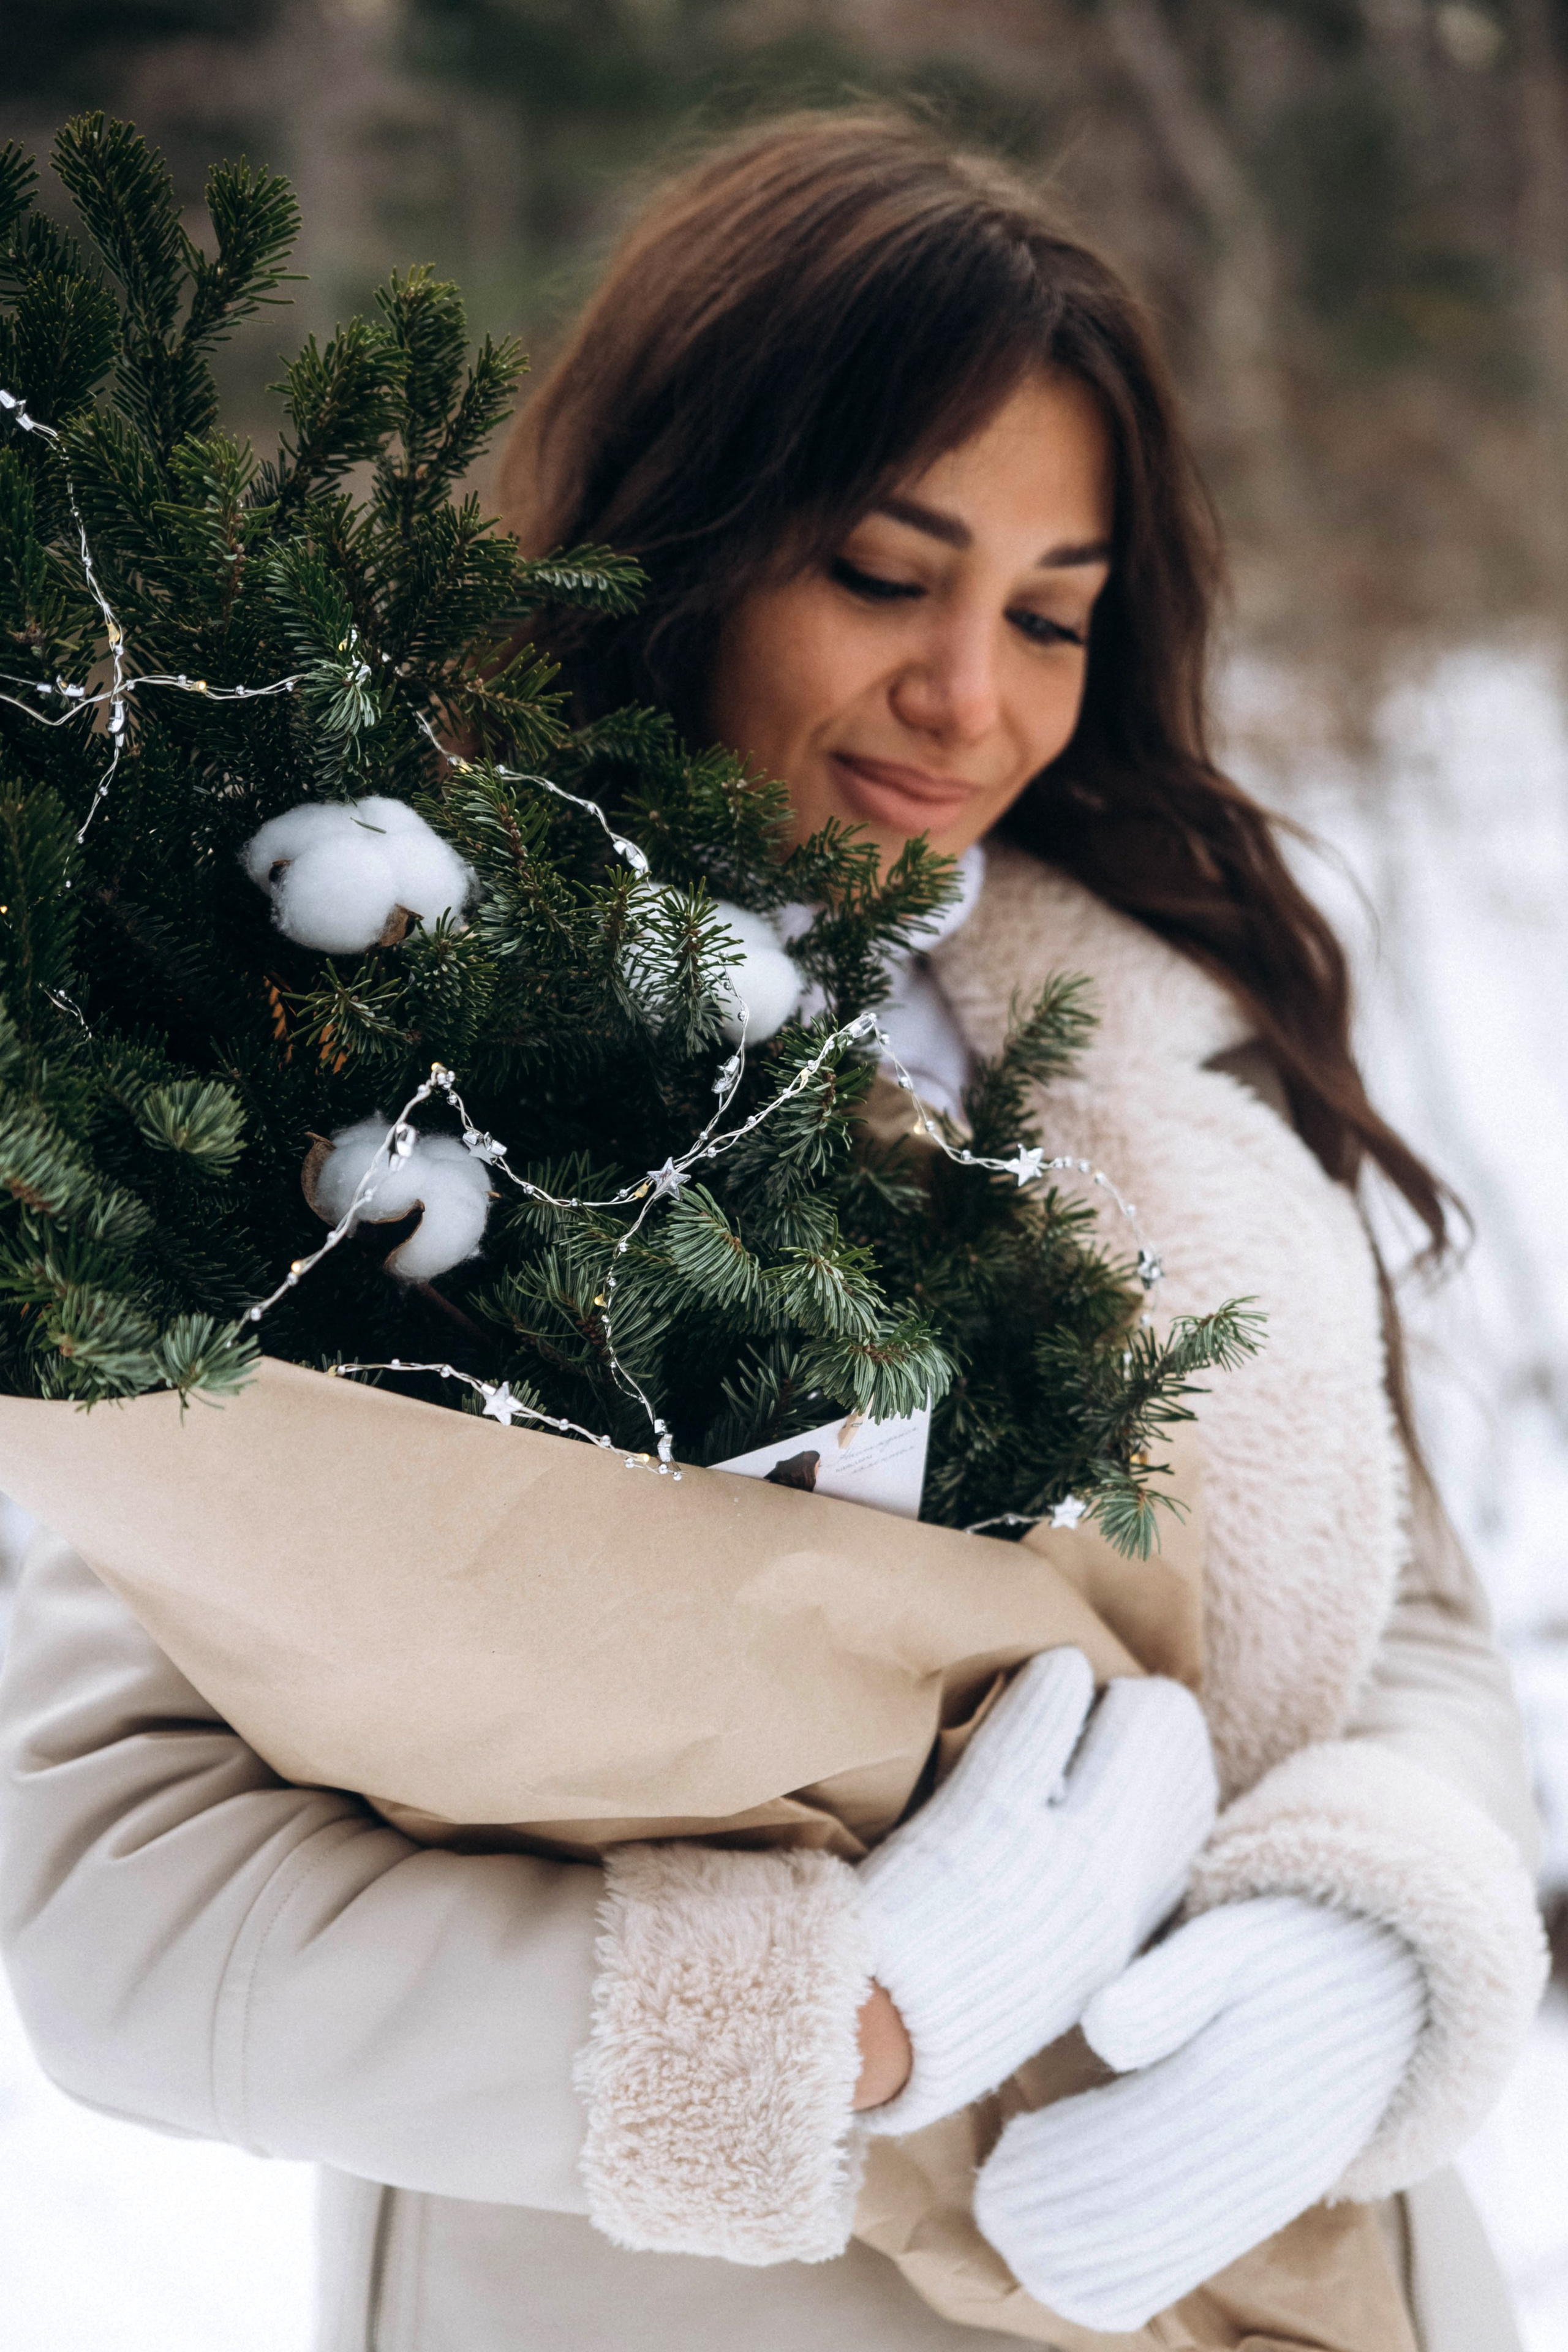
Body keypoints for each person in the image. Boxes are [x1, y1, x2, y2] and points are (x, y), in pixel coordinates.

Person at [0, 110, 1545, 2352]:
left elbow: (1400, 1607)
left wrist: (1375, 1933)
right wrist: (842, 2023)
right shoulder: (357, 1048)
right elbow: (109, 1907)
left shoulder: (1148, 1022)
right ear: (683, 537)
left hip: (1283, 2277)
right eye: (884, 576)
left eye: (1053, 616)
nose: (975, 702)